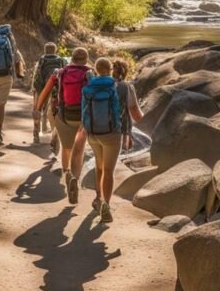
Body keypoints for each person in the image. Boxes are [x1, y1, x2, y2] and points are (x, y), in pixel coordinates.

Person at [83, 58, 142, 222]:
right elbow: (136, 115)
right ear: (110, 69)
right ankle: (106, 205)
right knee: (108, 170)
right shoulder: (125, 87)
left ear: (96, 69)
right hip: (112, 134)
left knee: (99, 167)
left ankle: (97, 198)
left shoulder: (91, 85)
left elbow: (85, 109)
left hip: (93, 133)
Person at [35, 47, 92, 204]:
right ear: (86, 59)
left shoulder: (59, 73)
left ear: (72, 59)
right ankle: (75, 178)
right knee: (78, 151)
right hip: (83, 119)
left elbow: (45, 92)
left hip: (63, 116)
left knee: (66, 148)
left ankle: (66, 172)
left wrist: (37, 109)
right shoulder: (90, 73)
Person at [31, 42, 67, 145]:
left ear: (45, 50)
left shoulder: (41, 61)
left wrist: (36, 90)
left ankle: (36, 134)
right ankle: (55, 135)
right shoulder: (61, 61)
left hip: (41, 88)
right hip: (57, 88)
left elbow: (36, 77)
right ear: (55, 50)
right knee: (54, 111)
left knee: (37, 110)